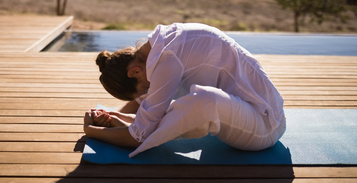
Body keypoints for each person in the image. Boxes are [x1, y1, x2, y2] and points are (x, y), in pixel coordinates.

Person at [83, 23, 286, 157]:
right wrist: (114, 115)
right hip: (256, 112)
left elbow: (139, 137)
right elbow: (150, 106)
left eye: (146, 88)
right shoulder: (164, 42)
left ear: (134, 71)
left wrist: (92, 131)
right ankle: (129, 123)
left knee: (204, 99)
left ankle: (131, 124)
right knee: (182, 104)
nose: (149, 91)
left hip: (265, 127)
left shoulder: (166, 60)